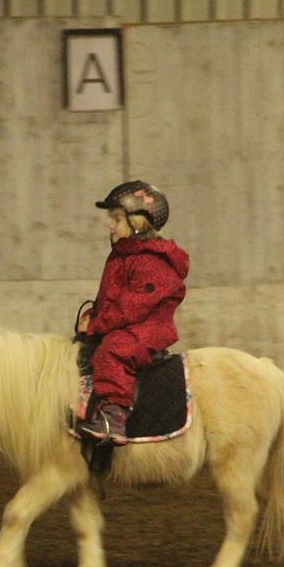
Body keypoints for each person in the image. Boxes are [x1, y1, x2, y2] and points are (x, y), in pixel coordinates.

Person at [76, 180, 190, 444]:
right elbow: (113, 298)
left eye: (117, 219)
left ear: (137, 223)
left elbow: (131, 307)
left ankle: (113, 416)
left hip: (147, 328)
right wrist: (93, 314)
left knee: (112, 351)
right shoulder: (122, 256)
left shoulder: (153, 262)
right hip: (127, 325)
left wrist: (96, 324)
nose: (110, 225)